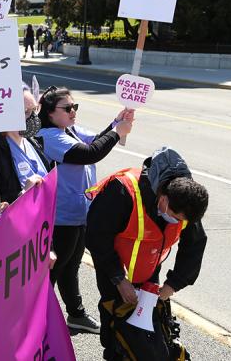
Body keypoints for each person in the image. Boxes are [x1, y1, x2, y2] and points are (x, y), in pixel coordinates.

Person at [85, 147, 208, 360]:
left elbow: (195, 245)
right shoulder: (123, 189)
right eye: (175, 217)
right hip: (113, 271)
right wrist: (118, 279)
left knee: (149, 335)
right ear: (164, 199)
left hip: (150, 273)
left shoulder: (185, 201)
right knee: (117, 330)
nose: (178, 223)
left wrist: (172, 285)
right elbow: (97, 237)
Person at [37, 86, 134, 333]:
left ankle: (76, 314)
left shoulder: (68, 130)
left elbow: (95, 140)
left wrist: (117, 122)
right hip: (61, 216)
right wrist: (116, 133)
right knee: (53, 272)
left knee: (72, 266)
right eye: (67, 108)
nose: (73, 112)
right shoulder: (49, 136)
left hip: (80, 213)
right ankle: (38, 321)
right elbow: (90, 153)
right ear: (49, 113)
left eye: (74, 107)